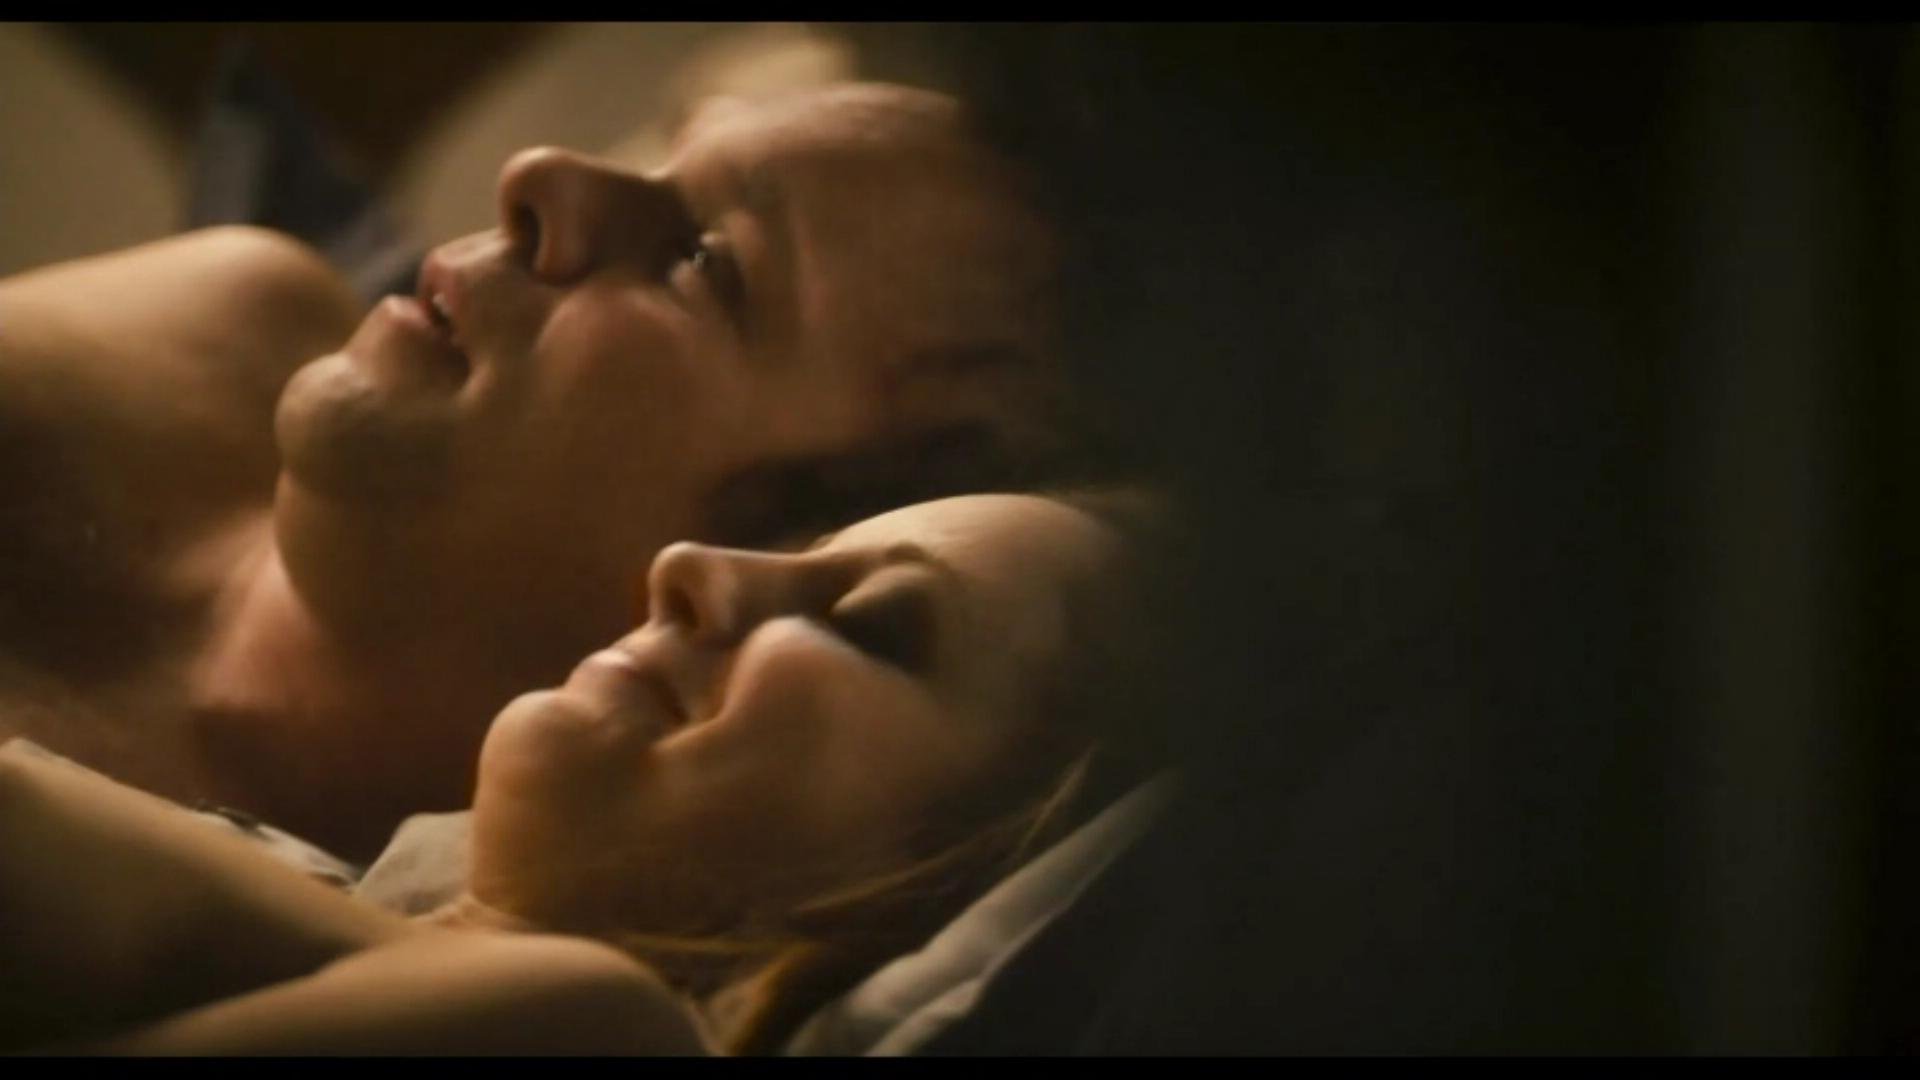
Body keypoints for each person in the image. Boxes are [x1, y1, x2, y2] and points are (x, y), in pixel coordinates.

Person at [0, 83, 1079, 857]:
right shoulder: (231, 321)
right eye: (667, 158)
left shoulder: (425, 989)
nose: (540, 176)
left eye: (705, 260)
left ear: (789, 566)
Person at [0, 491, 1158, 1055]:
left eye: (870, 624)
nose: (686, 565)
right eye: (800, 551)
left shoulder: (591, 1033)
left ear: (951, 873)